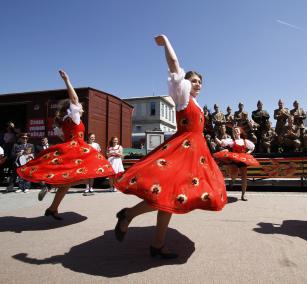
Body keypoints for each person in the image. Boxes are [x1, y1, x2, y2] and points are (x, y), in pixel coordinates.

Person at [113, 35, 227, 259]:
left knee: (170, 197)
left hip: (196, 153)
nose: (197, 84)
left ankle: (155, 242)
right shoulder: (182, 95)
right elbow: (174, 66)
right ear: (186, 82)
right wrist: (166, 43)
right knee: (166, 194)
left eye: (200, 82)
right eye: (193, 80)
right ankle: (128, 216)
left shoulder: (196, 103)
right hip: (181, 150)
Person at [17, 70, 115, 220]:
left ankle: (52, 208)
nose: (82, 108)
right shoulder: (74, 118)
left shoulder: (63, 122)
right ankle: (51, 185)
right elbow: (74, 98)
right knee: (95, 172)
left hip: (70, 148)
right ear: (73, 109)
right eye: (81, 107)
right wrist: (67, 80)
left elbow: (64, 136)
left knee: (68, 182)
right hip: (78, 149)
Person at [214, 126, 260, 201]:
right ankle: (232, 180)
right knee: (234, 174)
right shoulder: (232, 141)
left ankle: (243, 195)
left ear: (240, 131)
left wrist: (248, 153)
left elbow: (252, 147)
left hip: (243, 159)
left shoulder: (245, 141)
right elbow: (222, 143)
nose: (236, 131)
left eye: (237, 130)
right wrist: (214, 137)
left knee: (244, 177)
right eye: (234, 130)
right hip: (234, 158)